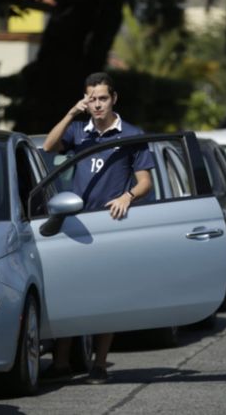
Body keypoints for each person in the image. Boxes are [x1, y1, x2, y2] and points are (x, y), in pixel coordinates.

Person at [41, 72, 154, 384]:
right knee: (71, 294)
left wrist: (127, 196)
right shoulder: (79, 132)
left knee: (106, 296)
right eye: (92, 99)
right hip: (75, 224)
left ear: (113, 99)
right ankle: (61, 363)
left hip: (111, 225)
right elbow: (49, 146)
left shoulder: (131, 133)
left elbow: (145, 182)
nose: (97, 104)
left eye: (103, 98)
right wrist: (70, 113)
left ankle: (100, 364)